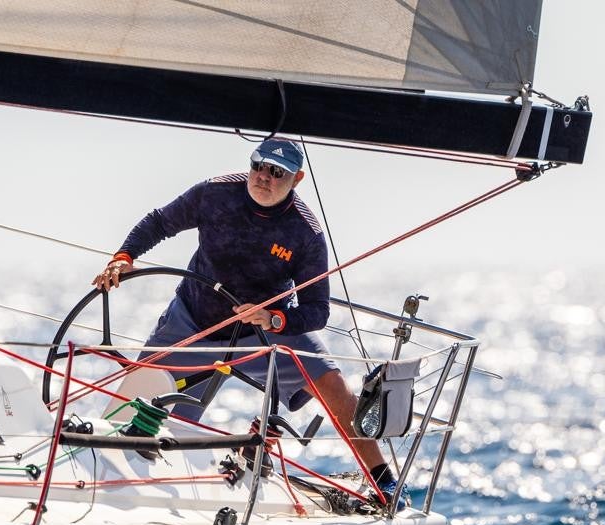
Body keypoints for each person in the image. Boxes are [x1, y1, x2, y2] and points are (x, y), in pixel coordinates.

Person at [93, 138, 400, 498]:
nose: (263, 177)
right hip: (193, 319)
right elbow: (159, 222)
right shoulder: (215, 193)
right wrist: (124, 256)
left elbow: (317, 310)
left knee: (331, 381)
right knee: (140, 397)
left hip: (262, 330)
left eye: (276, 172)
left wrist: (274, 320)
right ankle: (101, 465)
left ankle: (383, 480)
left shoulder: (306, 233)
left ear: (297, 179)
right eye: (258, 166)